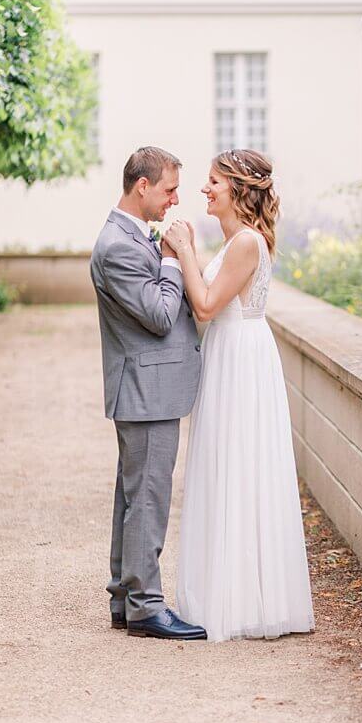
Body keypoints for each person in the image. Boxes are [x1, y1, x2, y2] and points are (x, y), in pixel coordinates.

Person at [165, 148, 315, 641]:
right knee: (227, 467)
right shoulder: (236, 242)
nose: (204, 189)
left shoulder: (246, 242)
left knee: (240, 468)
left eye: (213, 181)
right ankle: (230, 591)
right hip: (231, 354)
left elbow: (206, 306)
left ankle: (241, 601)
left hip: (242, 360)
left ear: (238, 188)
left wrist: (184, 249)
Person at [89, 146, 206, 640]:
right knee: (149, 497)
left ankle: (125, 595)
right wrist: (173, 260)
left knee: (135, 495)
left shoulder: (129, 237)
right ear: (143, 186)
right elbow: (159, 316)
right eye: (169, 189)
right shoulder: (117, 245)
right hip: (146, 388)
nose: (175, 200)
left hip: (147, 387)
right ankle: (145, 606)